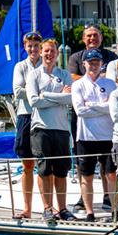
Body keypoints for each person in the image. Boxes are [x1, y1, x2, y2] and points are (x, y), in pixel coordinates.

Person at [69, 24, 118, 211]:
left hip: (107, 133)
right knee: (86, 172)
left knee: (110, 172)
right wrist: (102, 107)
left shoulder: (110, 78)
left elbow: (112, 107)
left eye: (95, 36)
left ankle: (111, 203)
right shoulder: (76, 63)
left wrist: (93, 105)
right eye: (89, 36)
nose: (92, 39)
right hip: (84, 133)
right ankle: (87, 205)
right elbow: (80, 110)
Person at [26, 39, 75, 222]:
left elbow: (70, 99)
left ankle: (62, 209)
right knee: (44, 170)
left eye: (52, 51)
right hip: (41, 129)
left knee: (61, 172)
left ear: (57, 53)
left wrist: (46, 95)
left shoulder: (64, 74)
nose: (49, 54)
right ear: (41, 52)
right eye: (46, 51)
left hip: (61, 129)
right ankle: (47, 208)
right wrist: (59, 96)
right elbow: (33, 101)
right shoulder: (34, 75)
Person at [11, 30, 42, 219]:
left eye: (36, 46)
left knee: (47, 166)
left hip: (44, 117)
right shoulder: (20, 67)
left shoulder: (48, 66)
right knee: (28, 165)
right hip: (26, 115)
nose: (33, 49)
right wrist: (39, 91)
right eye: (30, 46)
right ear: (25, 47)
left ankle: (49, 206)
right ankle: (27, 208)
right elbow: (17, 91)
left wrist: (31, 90)